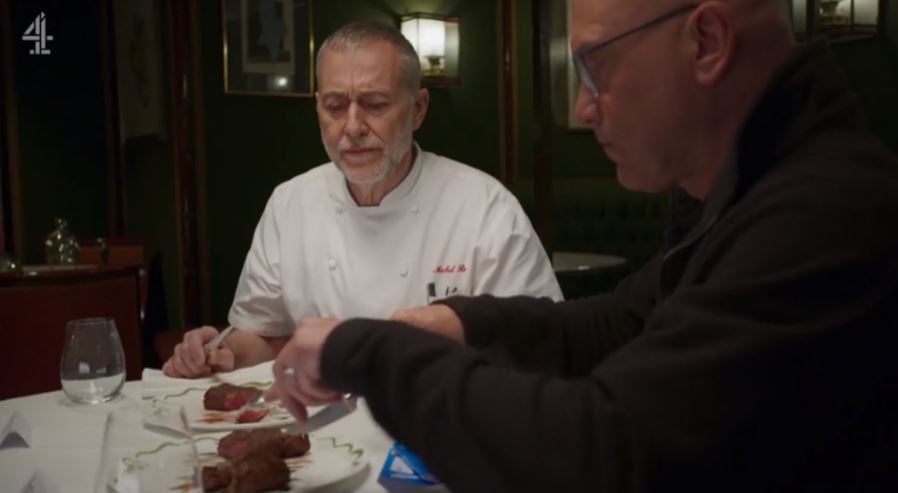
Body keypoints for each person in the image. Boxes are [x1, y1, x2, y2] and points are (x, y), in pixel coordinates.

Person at [268, 0, 898, 491]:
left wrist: (370, 350)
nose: (582, 105)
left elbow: (606, 455)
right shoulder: (745, 187)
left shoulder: (826, 211)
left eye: (594, 65)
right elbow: (624, 321)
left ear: (706, 42)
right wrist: (461, 320)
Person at [162, 21, 562, 378]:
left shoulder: (484, 207)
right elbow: (268, 337)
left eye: (375, 105)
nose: (352, 127)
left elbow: (538, 345)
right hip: (319, 433)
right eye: (335, 107)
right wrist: (221, 351)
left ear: (419, 108)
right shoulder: (291, 204)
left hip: (436, 428)